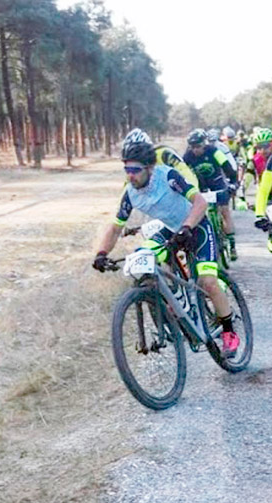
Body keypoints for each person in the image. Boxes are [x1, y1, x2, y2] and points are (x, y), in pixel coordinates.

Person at [92, 139, 240, 354]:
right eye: (126, 169)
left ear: (149, 167)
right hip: (170, 229)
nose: (130, 175)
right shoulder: (130, 193)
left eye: (135, 169)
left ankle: (229, 332)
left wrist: (188, 226)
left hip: (196, 225)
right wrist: (101, 253)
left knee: (208, 281)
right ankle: (172, 303)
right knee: (142, 256)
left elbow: (200, 203)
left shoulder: (168, 176)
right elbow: (115, 228)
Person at [185, 128, 240, 260]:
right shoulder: (187, 157)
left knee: (224, 211)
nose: (195, 150)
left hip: (217, 183)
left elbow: (228, 168)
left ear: (205, 144)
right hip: (201, 187)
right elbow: (182, 174)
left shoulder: (214, 152)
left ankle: (232, 244)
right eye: (192, 147)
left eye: (198, 146)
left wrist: (233, 182)